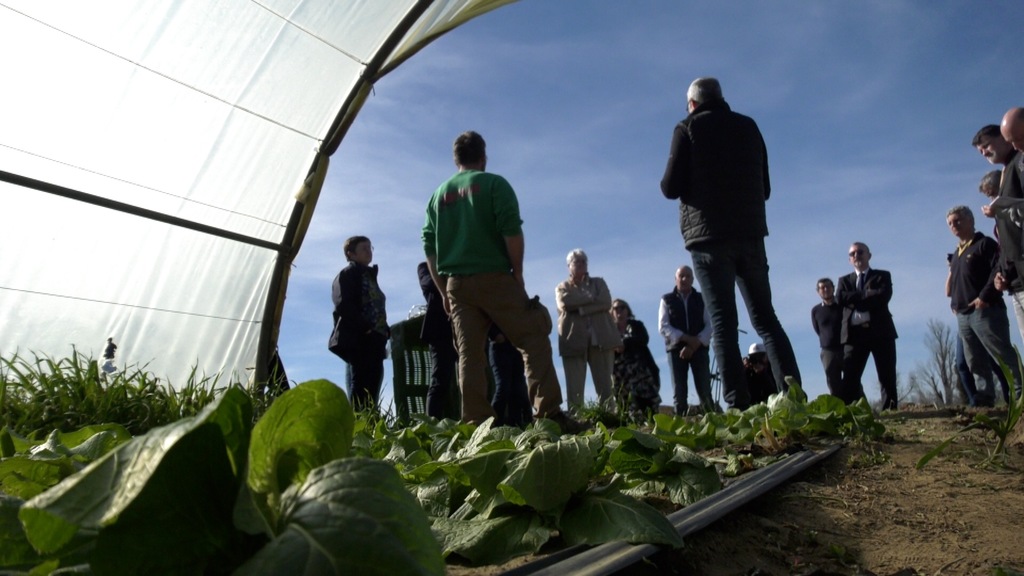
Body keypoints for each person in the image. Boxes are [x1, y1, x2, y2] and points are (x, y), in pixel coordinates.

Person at [421, 130, 585, 432]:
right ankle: (549, 415)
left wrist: (444, 289)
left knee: (469, 354)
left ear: (456, 159)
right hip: (495, 277)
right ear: (483, 156)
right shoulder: (495, 184)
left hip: (457, 284)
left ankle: (476, 425)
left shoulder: (438, 195)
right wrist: (517, 274)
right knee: (533, 337)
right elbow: (511, 230)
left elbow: (429, 246)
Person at [660, 76, 801, 410]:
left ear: (692, 104)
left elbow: (669, 187)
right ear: (721, 98)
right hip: (750, 236)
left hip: (708, 240)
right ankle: (795, 397)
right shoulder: (749, 127)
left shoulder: (687, 129)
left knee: (724, 323)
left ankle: (738, 405)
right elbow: (765, 188)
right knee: (767, 319)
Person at [946, 205, 1021, 405]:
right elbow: (955, 282)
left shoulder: (984, 244)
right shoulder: (957, 253)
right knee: (974, 360)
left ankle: (1019, 393)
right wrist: (955, 303)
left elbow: (997, 270)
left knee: (1001, 354)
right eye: (950, 223)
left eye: (958, 220)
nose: (954, 226)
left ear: (970, 220)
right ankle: (985, 395)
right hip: (963, 314)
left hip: (985, 309)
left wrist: (985, 296)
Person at [973, 125, 1024, 344]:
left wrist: (1003, 206)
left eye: (986, 145)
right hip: (1017, 282)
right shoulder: (1006, 171)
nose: (984, 152)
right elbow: (1008, 240)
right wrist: (1003, 273)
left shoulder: (1020, 162)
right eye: (980, 150)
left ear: (1005, 138)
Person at [555, 249, 622, 410]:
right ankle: (577, 423)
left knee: (606, 387)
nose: (580, 264)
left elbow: (606, 302)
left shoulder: (598, 283)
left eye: (583, 261)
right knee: (575, 389)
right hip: (573, 341)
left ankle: (609, 419)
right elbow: (565, 303)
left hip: (602, 340)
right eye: (576, 261)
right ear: (568, 266)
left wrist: (581, 309)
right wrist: (591, 299)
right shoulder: (562, 287)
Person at [835, 242, 898, 410]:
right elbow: (840, 299)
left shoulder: (882, 276)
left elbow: (883, 297)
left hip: (881, 333)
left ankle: (890, 412)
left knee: (886, 376)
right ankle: (850, 412)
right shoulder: (844, 281)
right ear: (849, 259)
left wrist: (854, 299)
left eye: (860, 252)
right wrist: (866, 294)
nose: (856, 255)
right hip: (854, 336)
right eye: (852, 253)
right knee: (850, 378)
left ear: (869, 255)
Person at [331, 235, 389, 412]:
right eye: (364, 248)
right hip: (360, 340)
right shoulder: (347, 274)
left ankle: (371, 429)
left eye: (370, 247)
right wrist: (365, 329)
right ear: (351, 254)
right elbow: (344, 305)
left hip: (376, 341)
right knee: (360, 387)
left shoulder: (370, 276)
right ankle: (358, 429)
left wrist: (385, 331)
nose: (368, 251)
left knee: (373, 387)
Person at [658, 265, 717, 415]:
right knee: (679, 390)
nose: (684, 279)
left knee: (704, 388)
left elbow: (710, 325)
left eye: (687, 276)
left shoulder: (701, 299)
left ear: (692, 279)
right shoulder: (667, 300)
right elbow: (663, 326)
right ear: (675, 279)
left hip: (699, 348)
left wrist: (695, 343)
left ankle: (711, 421)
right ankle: (680, 423)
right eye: (681, 276)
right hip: (675, 350)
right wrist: (684, 338)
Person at [418, 261, 458, 420]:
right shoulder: (425, 267)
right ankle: (433, 423)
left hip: (464, 327)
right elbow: (430, 285)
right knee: (440, 379)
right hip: (440, 331)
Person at [610, 299, 662, 419]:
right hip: (620, 375)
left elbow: (643, 339)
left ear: (627, 310)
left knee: (648, 405)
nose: (619, 311)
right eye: (615, 308)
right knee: (626, 408)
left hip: (641, 373)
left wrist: (625, 344)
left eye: (622, 308)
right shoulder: (609, 330)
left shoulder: (636, 325)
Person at [488, 325, 533, 427]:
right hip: (499, 347)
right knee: (503, 387)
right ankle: (492, 424)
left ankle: (516, 424)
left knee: (518, 388)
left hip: (516, 347)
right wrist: (494, 334)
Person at [810, 278, 843, 398]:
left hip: (845, 348)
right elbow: (818, 329)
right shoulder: (816, 310)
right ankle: (840, 411)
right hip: (827, 351)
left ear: (833, 288)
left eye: (828, 287)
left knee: (852, 380)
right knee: (833, 382)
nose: (825, 289)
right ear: (818, 291)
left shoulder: (842, 305)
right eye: (822, 288)